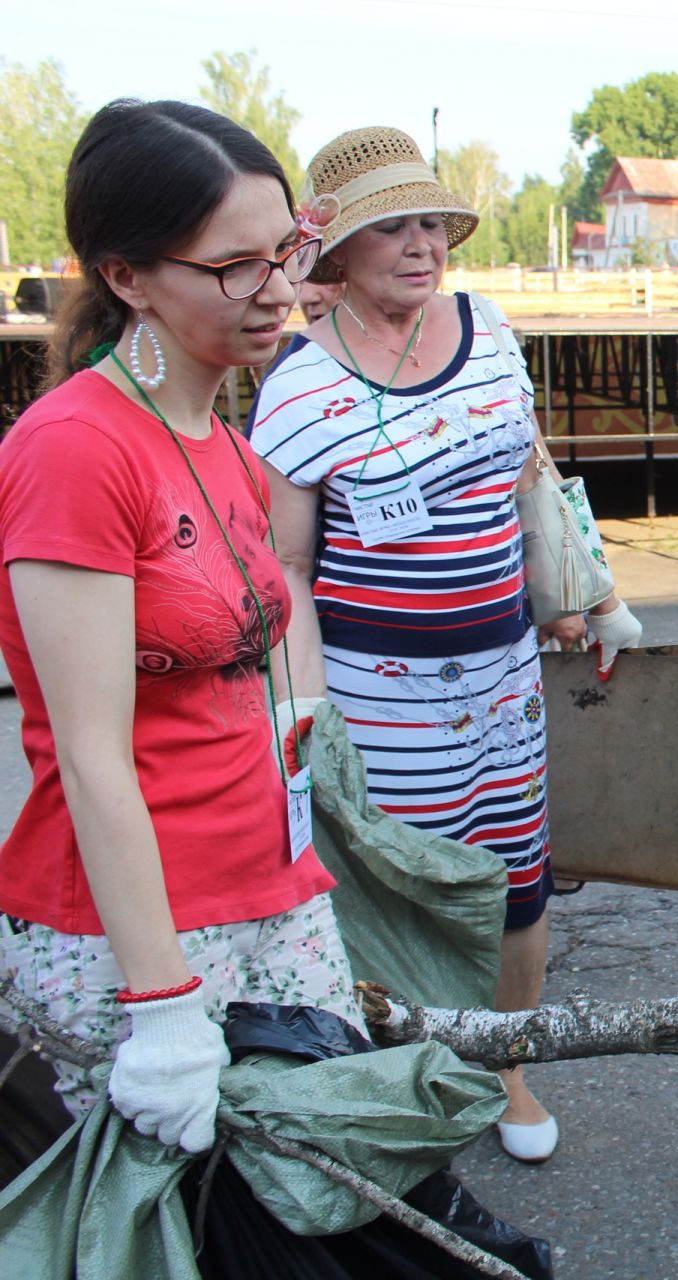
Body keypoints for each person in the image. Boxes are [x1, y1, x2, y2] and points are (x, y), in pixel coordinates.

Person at [247, 126, 644, 1166]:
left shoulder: (487, 325)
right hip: (382, 698)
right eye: (393, 226)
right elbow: (285, 566)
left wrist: (583, 588)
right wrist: (302, 710)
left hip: (505, 676)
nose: (423, 245)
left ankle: (504, 1062)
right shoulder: (295, 383)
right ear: (338, 248)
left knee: (518, 878)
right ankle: (414, 1063)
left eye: (434, 222)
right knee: (405, 885)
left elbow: (529, 466)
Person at [0, 100, 360, 1154]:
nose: (282, 292)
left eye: (288, 251)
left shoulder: (219, 436)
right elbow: (91, 750)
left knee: (317, 1204)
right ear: (125, 276)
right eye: (237, 266)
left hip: (269, 892)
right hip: (135, 936)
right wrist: (161, 1003)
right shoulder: (76, 450)